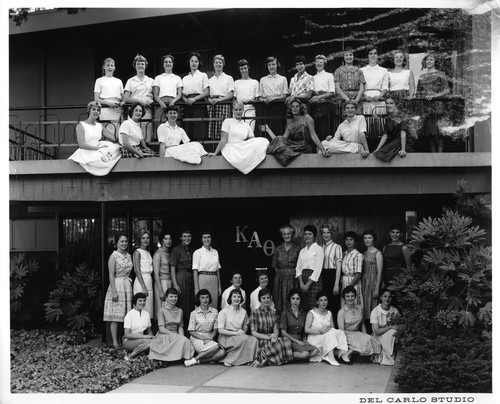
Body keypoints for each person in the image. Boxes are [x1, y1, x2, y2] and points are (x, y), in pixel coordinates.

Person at [208, 100, 269, 175]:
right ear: (232, 110)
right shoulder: (227, 121)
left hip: (241, 147)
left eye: (240, 109)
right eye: (236, 110)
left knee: (263, 141)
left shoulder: (246, 125)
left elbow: (253, 141)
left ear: (243, 110)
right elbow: (223, 140)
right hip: (231, 148)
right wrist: (215, 153)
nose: (238, 112)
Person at [264, 99, 329, 167]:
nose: (295, 108)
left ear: (300, 108)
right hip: (294, 146)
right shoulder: (291, 125)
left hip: (305, 147)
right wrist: (268, 130)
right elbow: (280, 141)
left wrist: (323, 150)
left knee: (282, 150)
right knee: (279, 140)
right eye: (293, 106)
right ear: (290, 109)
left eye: (297, 106)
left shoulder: (307, 118)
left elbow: (313, 135)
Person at [68, 101, 121, 176]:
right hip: (87, 151)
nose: (96, 111)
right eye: (94, 109)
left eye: (98, 110)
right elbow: (82, 145)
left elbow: (114, 138)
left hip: (97, 149)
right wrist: (98, 149)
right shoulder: (81, 125)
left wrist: (120, 123)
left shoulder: (99, 126)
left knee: (115, 147)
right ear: (89, 110)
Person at [415, 52, 450, 152]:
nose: (429, 61)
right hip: (426, 107)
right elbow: (418, 93)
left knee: (439, 133)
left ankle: (440, 155)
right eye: (427, 60)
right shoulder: (421, 76)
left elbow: (447, 90)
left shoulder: (440, 74)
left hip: (438, 106)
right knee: (429, 133)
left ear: (435, 61)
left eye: (431, 59)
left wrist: (434, 96)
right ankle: (433, 155)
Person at [103, 232, 133, 347]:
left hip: (127, 286)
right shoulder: (113, 256)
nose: (124, 243)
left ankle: (126, 340)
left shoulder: (129, 255)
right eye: (122, 241)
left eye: (125, 241)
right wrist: (114, 291)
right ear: (116, 243)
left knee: (126, 315)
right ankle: (115, 342)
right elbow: (111, 274)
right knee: (115, 315)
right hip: (117, 285)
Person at [250, 288, 294, 367]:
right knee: (277, 345)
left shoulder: (273, 312)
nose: (266, 300)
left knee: (287, 341)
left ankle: (265, 357)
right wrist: (269, 338)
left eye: (268, 298)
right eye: (263, 298)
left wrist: (275, 335)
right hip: (261, 338)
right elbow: (254, 333)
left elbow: (275, 329)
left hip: (272, 336)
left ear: (270, 299)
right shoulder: (255, 313)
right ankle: (264, 358)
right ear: (259, 299)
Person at [337, 286, 382, 363]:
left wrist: (365, 334)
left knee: (370, 339)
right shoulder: (341, 312)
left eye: (352, 296)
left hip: (358, 333)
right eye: (347, 296)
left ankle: (350, 352)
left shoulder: (359, 308)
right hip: (346, 335)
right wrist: (357, 334)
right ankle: (347, 353)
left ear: (355, 296)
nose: (350, 298)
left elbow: (362, 324)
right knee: (365, 341)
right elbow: (341, 331)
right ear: (344, 298)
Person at [148, 288, 194, 362]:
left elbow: (180, 327)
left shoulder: (180, 311)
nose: (173, 299)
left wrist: (181, 337)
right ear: (167, 298)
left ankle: (184, 359)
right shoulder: (162, 310)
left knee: (186, 342)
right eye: (171, 296)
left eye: (175, 296)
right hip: (165, 335)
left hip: (176, 334)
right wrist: (174, 335)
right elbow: (161, 329)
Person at [216, 288, 259, 367]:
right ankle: (229, 359)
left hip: (239, 335)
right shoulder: (223, 312)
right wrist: (236, 333)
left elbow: (245, 326)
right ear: (230, 298)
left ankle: (250, 360)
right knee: (244, 339)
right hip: (226, 337)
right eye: (234, 296)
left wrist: (244, 331)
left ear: (241, 299)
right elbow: (220, 330)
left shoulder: (243, 311)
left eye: (239, 297)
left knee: (254, 340)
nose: (237, 299)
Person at [305, 291, 349, 366]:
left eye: (325, 300)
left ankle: (341, 353)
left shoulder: (329, 313)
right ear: (317, 302)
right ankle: (330, 357)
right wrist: (320, 331)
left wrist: (327, 329)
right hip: (314, 337)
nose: (323, 302)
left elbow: (333, 328)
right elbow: (306, 329)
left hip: (325, 336)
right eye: (321, 300)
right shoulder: (311, 313)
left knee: (339, 332)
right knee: (330, 333)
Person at [185, 289, 226, 367]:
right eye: (202, 297)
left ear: (209, 298)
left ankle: (197, 360)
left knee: (222, 352)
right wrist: (203, 339)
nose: (205, 300)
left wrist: (211, 338)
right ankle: (195, 360)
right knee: (216, 346)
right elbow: (191, 331)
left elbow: (215, 329)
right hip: (197, 337)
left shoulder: (215, 311)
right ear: (199, 299)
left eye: (207, 297)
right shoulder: (194, 313)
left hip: (209, 337)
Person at [280, 289, 320, 360]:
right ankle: (286, 354)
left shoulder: (304, 313)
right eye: (293, 298)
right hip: (289, 340)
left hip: (301, 340)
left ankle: (290, 354)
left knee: (316, 350)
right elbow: (283, 332)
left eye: (297, 299)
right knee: (305, 354)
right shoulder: (285, 313)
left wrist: (304, 339)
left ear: (300, 300)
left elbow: (304, 330)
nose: (295, 301)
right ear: (290, 299)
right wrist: (297, 341)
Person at [123, 54, 155, 142]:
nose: (140, 66)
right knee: (133, 133)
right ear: (135, 66)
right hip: (134, 110)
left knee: (146, 132)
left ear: (145, 66)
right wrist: (141, 101)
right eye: (138, 64)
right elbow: (126, 98)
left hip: (146, 110)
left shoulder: (151, 81)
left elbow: (155, 96)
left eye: (142, 64)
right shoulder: (130, 81)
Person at [360, 45, 389, 139]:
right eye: (370, 53)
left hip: (379, 100)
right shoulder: (361, 70)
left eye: (375, 53)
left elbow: (385, 87)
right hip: (365, 100)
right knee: (366, 126)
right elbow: (360, 87)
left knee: (380, 126)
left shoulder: (384, 70)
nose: (373, 55)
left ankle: (379, 148)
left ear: (378, 55)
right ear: (367, 56)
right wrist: (364, 96)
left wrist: (380, 96)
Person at [272, 224, 301, 313]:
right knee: (279, 300)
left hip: (293, 278)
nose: (286, 236)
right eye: (284, 234)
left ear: (292, 234)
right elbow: (274, 265)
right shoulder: (278, 249)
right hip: (280, 279)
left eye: (288, 234)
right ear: (282, 235)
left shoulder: (297, 248)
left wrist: (291, 273)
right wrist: (282, 274)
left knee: (293, 298)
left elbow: (300, 265)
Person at [295, 224, 324, 311]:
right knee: (303, 306)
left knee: (313, 306)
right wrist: (301, 284)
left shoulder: (318, 249)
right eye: (305, 234)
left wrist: (308, 284)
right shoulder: (302, 251)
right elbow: (298, 268)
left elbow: (318, 269)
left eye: (310, 234)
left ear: (314, 236)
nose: (307, 236)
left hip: (314, 281)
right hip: (302, 280)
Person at [182, 52, 209, 141]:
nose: (194, 63)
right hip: (188, 104)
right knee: (188, 128)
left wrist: (195, 99)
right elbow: (182, 93)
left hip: (199, 103)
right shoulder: (185, 78)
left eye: (196, 61)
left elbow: (206, 92)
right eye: (192, 61)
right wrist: (185, 99)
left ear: (199, 63)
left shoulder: (203, 75)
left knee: (199, 128)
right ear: (189, 63)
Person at [93, 57, 124, 136]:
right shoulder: (99, 80)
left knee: (118, 131)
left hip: (117, 109)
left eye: (112, 65)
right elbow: (96, 98)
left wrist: (122, 103)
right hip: (105, 108)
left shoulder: (118, 81)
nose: (110, 67)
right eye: (107, 65)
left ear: (114, 67)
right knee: (108, 131)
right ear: (104, 67)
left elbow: (123, 96)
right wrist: (108, 103)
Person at [192, 230, 222, 309]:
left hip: (214, 280)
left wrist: (219, 286)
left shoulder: (215, 252)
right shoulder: (197, 252)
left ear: (211, 238)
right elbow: (195, 270)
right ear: (201, 239)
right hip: (202, 279)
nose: (207, 239)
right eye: (204, 237)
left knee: (213, 303)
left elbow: (217, 270)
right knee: (202, 302)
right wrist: (196, 288)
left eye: (208, 237)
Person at [170, 228, 194, 324]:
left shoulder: (192, 250)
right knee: (181, 301)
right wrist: (175, 284)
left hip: (190, 277)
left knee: (190, 302)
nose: (187, 238)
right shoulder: (176, 250)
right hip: (180, 277)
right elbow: (172, 268)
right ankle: (180, 326)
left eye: (188, 236)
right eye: (185, 236)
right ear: (181, 237)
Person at [207, 54, 234, 139]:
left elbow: (231, 94)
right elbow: (207, 95)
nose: (218, 64)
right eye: (216, 62)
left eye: (220, 62)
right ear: (213, 64)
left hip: (224, 104)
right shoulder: (210, 80)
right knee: (214, 130)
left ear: (223, 64)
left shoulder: (229, 78)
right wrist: (209, 100)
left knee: (224, 129)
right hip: (213, 105)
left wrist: (220, 100)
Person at [373, 97, 408, 162]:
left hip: (401, 141)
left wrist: (403, 149)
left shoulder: (402, 115)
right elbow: (385, 135)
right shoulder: (388, 118)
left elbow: (403, 133)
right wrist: (377, 149)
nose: (388, 105)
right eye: (387, 103)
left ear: (396, 104)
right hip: (393, 141)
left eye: (391, 103)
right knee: (378, 152)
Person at [370, 288, 400, 365]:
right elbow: (377, 331)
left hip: (390, 335)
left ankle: (389, 355)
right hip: (377, 336)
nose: (387, 299)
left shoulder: (395, 311)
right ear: (381, 297)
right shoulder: (375, 311)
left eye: (389, 297)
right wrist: (390, 327)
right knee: (391, 332)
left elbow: (397, 327)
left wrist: (392, 328)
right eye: (385, 296)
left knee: (393, 332)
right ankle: (389, 356)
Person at [320, 223, 343, 317]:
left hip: (333, 275)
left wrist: (336, 284)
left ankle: (334, 328)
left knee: (332, 302)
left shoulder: (337, 247)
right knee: (324, 302)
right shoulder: (320, 247)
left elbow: (339, 267)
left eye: (328, 233)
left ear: (332, 233)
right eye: (324, 233)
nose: (326, 235)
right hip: (322, 276)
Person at [123, 293, 154, 360]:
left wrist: (152, 337)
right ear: (135, 302)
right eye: (140, 301)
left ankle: (135, 354)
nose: (142, 302)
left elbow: (149, 331)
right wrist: (146, 337)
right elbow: (127, 335)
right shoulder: (129, 314)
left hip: (143, 341)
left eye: (144, 300)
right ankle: (130, 356)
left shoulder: (146, 314)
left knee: (154, 341)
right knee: (149, 342)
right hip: (129, 341)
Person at [153, 54, 183, 123]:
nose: (168, 64)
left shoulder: (177, 78)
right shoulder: (158, 78)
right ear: (163, 64)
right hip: (161, 103)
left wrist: (173, 101)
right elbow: (155, 94)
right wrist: (160, 102)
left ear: (172, 64)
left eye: (170, 62)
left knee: (175, 124)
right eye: (166, 62)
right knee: (160, 123)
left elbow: (179, 94)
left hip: (174, 102)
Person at [361, 230, 383, 325]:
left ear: (374, 239)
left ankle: (374, 327)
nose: (367, 240)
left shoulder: (378, 253)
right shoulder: (363, 253)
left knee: (373, 304)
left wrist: (377, 288)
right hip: (364, 282)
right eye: (365, 238)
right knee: (365, 305)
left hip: (373, 281)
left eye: (369, 238)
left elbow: (380, 271)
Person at [133, 229, 154, 320]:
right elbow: (137, 271)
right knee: (141, 306)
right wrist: (143, 287)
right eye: (143, 238)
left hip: (148, 280)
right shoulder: (137, 252)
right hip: (141, 281)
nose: (146, 240)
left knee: (148, 307)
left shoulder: (148, 253)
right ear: (139, 239)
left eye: (147, 238)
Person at [382, 223, 411, 289]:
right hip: (387, 276)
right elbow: (383, 265)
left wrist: (406, 280)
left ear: (401, 234)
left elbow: (409, 267)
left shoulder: (404, 248)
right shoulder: (385, 247)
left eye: (397, 232)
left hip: (399, 277)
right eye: (393, 232)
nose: (395, 234)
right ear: (390, 233)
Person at [233, 59, 259, 130]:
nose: (244, 70)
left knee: (249, 132)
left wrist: (251, 101)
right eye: (241, 69)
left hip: (250, 110)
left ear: (248, 68)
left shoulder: (255, 82)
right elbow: (234, 98)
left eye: (245, 68)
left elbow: (257, 98)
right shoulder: (236, 82)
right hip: (238, 111)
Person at [153, 231, 173, 320]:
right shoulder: (158, 253)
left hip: (170, 282)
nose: (168, 241)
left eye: (169, 239)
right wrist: (160, 291)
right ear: (162, 241)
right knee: (162, 308)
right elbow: (156, 273)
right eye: (166, 239)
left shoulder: (170, 252)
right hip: (161, 283)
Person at [340, 231, 364, 308]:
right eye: (347, 239)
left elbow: (358, 274)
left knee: (354, 303)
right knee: (344, 305)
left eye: (351, 239)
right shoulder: (344, 254)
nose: (349, 241)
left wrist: (350, 287)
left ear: (355, 241)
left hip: (354, 282)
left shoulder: (358, 255)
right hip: (344, 281)